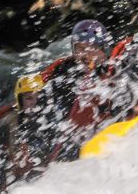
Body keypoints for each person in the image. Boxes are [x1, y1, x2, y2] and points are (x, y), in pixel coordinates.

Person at [38, 19, 116, 161]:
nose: (85, 54)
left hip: (104, 134)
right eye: (80, 48)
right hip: (70, 143)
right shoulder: (62, 72)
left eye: (92, 47)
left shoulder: (115, 67)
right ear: (74, 51)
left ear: (104, 50)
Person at [0, 74, 48, 194]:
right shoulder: (10, 120)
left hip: (24, 172)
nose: (34, 103)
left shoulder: (43, 119)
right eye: (29, 98)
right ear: (20, 100)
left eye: (38, 98)